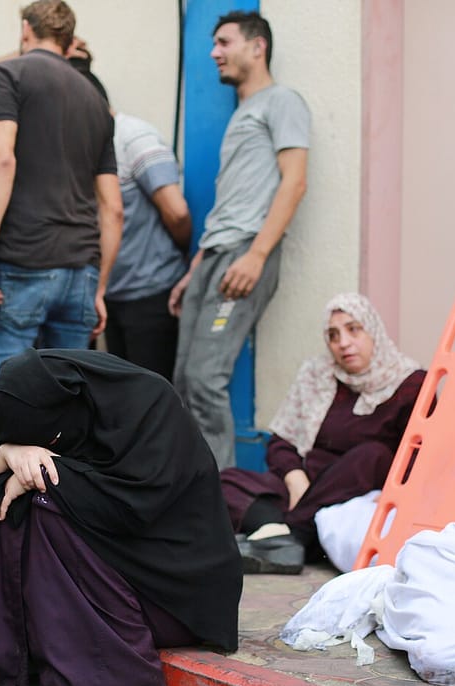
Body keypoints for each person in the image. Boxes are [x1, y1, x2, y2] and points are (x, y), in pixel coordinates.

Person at [0, 349, 242, 686]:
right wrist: (9, 454)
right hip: (118, 581)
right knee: (7, 496)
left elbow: (130, 508)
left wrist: (36, 477)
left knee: (45, 502)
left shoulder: (150, 407)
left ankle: (117, 676)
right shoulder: (53, 407)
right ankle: (19, 649)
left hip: (175, 595)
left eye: (50, 440)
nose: (48, 448)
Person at [0, 0, 124, 441]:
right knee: (68, 402)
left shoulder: (7, 75)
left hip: (22, 262)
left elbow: (1, 159)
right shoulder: (96, 99)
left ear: (25, 30)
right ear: (68, 39)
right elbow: (112, 207)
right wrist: (100, 287)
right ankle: (54, 508)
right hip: (81, 270)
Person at [172, 10, 310, 470]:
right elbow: (235, 199)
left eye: (224, 42)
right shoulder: (243, 114)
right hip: (216, 255)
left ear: (258, 46)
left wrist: (256, 255)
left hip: (246, 252)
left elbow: (294, 183)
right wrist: (197, 267)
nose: (214, 52)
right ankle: (187, 497)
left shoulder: (282, 101)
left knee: (206, 379)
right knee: (185, 383)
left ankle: (221, 503)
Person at [221, 293, 425, 574]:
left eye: (354, 329)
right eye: (333, 335)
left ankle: (290, 534)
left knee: (372, 454)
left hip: (356, 490)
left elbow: (422, 456)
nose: (343, 343)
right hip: (306, 486)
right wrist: (295, 479)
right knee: (227, 480)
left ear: (373, 330)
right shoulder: (317, 374)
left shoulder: (411, 383)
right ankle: (283, 537)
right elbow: (281, 440)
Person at [74, 65, 191, 381]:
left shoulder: (134, 137)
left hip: (151, 295)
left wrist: (168, 259)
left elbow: (177, 213)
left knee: (152, 402)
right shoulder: (88, 144)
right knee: (124, 401)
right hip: (112, 296)